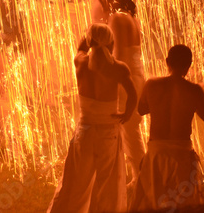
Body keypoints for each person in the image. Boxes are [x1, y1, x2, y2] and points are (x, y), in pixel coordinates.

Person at [48, 23, 137, 213]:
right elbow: (133, 94)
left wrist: (87, 38)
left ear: (90, 41)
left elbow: (81, 48)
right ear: (111, 43)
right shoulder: (119, 68)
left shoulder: (80, 61)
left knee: (76, 183)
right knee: (107, 185)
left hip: (85, 132)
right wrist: (127, 114)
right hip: (108, 133)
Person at [130, 44, 204, 211]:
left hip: (156, 154)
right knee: (183, 204)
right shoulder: (194, 90)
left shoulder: (151, 84)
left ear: (167, 61)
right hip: (182, 154)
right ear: (189, 65)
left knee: (151, 203)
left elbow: (141, 109)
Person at [98, 0, 146, 186]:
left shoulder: (117, 18)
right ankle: (139, 176)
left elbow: (118, 56)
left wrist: (104, 78)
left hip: (126, 80)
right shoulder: (130, 17)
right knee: (130, 130)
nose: (99, 1)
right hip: (137, 76)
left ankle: (142, 179)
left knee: (129, 132)